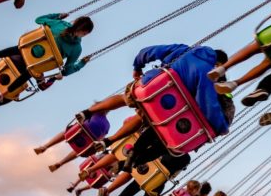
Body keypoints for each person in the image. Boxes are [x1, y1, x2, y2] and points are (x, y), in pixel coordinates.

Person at [76, 44, 232, 155]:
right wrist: (222, 127)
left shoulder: (185, 50)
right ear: (218, 64)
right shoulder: (208, 76)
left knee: (126, 98)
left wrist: (137, 66)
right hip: (165, 105)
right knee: (143, 117)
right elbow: (208, 105)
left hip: (150, 87)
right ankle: (111, 140)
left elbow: (152, 51)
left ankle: (88, 112)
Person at [0, 14, 94, 118]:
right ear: (85, 32)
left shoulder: (58, 23)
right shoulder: (76, 49)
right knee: (27, 76)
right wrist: (81, 64)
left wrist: (58, 15)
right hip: (31, 67)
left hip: (17, 56)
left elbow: (39, 19)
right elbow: (67, 70)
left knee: (18, 51)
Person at [34, 111, 110, 172]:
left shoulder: (94, 112)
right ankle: (60, 163)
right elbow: (100, 139)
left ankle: (45, 146)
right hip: (86, 144)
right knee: (81, 150)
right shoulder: (107, 125)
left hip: (77, 133)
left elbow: (81, 119)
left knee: (67, 131)